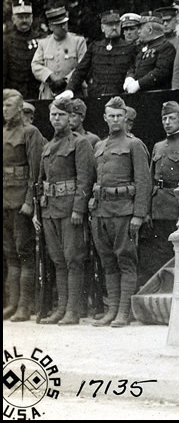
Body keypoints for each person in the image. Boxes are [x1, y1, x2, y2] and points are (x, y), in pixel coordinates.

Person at [89, 96, 151, 327]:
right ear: (105, 118)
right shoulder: (99, 146)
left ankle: (123, 312)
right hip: (101, 211)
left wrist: (138, 214)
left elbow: (144, 181)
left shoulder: (134, 145)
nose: (115, 120)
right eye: (111, 116)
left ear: (126, 118)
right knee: (107, 261)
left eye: (119, 116)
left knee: (125, 260)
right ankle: (111, 309)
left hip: (124, 211)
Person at [37, 96, 94, 325]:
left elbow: (84, 179)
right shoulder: (48, 146)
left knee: (73, 260)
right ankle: (61, 308)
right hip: (50, 210)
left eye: (61, 114)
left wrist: (79, 209)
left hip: (71, 210)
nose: (56, 119)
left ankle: (73, 310)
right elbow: (42, 180)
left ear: (71, 118)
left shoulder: (79, 143)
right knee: (58, 260)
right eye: (53, 114)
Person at [2, 89, 45, 321]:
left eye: (8, 106)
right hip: (4, 202)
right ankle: (12, 303)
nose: (4, 110)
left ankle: (25, 306)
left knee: (24, 253)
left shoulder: (30, 133)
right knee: (9, 254)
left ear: (20, 109)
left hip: (21, 203)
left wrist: (30, 201)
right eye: (3, 106)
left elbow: (35, 172)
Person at [139, 101, 179, 287]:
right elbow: (149, 180)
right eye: (164, 118)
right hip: (158, 206)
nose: (167, 122)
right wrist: (147, 211)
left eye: (171, 118)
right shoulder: (158, 146)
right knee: (159, 251)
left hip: (177, 206)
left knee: (177, 251)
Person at [63, 10, 137, 100]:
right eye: (110, 25)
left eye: (117, 24)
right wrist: (69, 89)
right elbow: (80, 70)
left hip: (120, 97)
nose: (114, 27)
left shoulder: (129, 48)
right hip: (96, 96)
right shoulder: (95, 47)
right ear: (102, 28)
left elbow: (133, 69)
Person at [31, 6, 87, 100]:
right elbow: (35, 65)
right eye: (59, 25)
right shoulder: (44, 43)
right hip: (49, 93)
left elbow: (83, 65)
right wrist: (51, 76)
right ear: (50, 26)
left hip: (73, 92)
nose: (64, 27)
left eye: (65, 23)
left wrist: (66, 80)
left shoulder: (78, 41)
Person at [123, 16, 176, 93]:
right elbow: (134, 66)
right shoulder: (143, 46)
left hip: (156, 94)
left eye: (141, 28)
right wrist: (129, 78)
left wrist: (139, 84)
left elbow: (161, 72)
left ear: (150, 30)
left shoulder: (166, 47)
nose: (138, 31)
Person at [3, 0, 42, 101]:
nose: (24, 20)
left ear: (32, 18)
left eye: (27, 17)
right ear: (13, 19)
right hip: (13, 93)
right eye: (20, 17)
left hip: (36, 92)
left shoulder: (41, 39)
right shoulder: (6, 41)